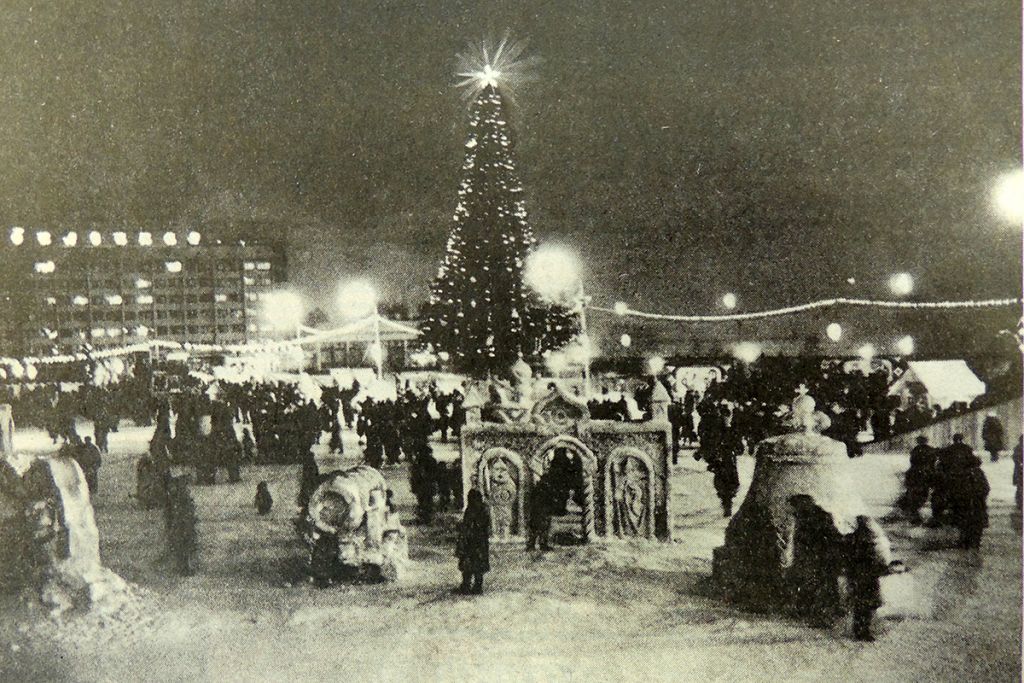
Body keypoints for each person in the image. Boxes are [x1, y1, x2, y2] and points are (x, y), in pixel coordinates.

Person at [784, 495, 846, 627]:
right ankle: (825, 613)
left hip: (818, 559)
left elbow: (810, 541)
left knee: (818, 586)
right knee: (823, 586)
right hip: (819, 559)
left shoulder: (810, 519)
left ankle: (822, 618)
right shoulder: (818, 516)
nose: (790, 510)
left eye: (792, 507)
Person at [845, 516, 904, 641]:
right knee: (866, 607)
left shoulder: (851, 540)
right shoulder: (870, 543)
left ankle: (859, 630)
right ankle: (863, 632)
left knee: (859, 606)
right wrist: (888, 569)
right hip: (868, 580)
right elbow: (876, 564)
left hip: (856, 578)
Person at [455, 489, 490, 595]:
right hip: (479, 542)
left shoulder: (473, 510)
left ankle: (469, 586)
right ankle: (474, 586)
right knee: (476, 566)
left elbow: (471, 525)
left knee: (470, 565)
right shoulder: (482, 509)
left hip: (473, 542)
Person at [951, 454, 990, 550]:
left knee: (964, 523)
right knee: (976, 524)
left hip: (966, 503)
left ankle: (965, 541)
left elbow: (957, 489)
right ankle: (974, 543)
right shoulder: (979, 473)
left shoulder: (962, 474)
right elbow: (985, 488)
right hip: (977, 503)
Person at [901, 436, 936, 525]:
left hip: (915, 473)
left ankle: (914, 513)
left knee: (913, 493)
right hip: (926, 473)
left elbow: (912, 461)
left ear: (918, 441)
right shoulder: (931, 449)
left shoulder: (915, 450)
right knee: (924, 492)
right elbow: (933, 462)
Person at [525, 479, 554, 551]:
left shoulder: (539, 489)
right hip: (540, 511)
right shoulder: (543, 489)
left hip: (539, 511)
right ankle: (535, 545)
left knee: (539, 528)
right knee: (539, 528)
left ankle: (534, 545)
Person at [1013, 436, 1022, 510]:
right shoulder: (1018, 448)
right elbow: (1016, 458)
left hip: (1019, 471)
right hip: (1020, 472)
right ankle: (1019, 502)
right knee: (1020, 487)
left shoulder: (1018, 448)